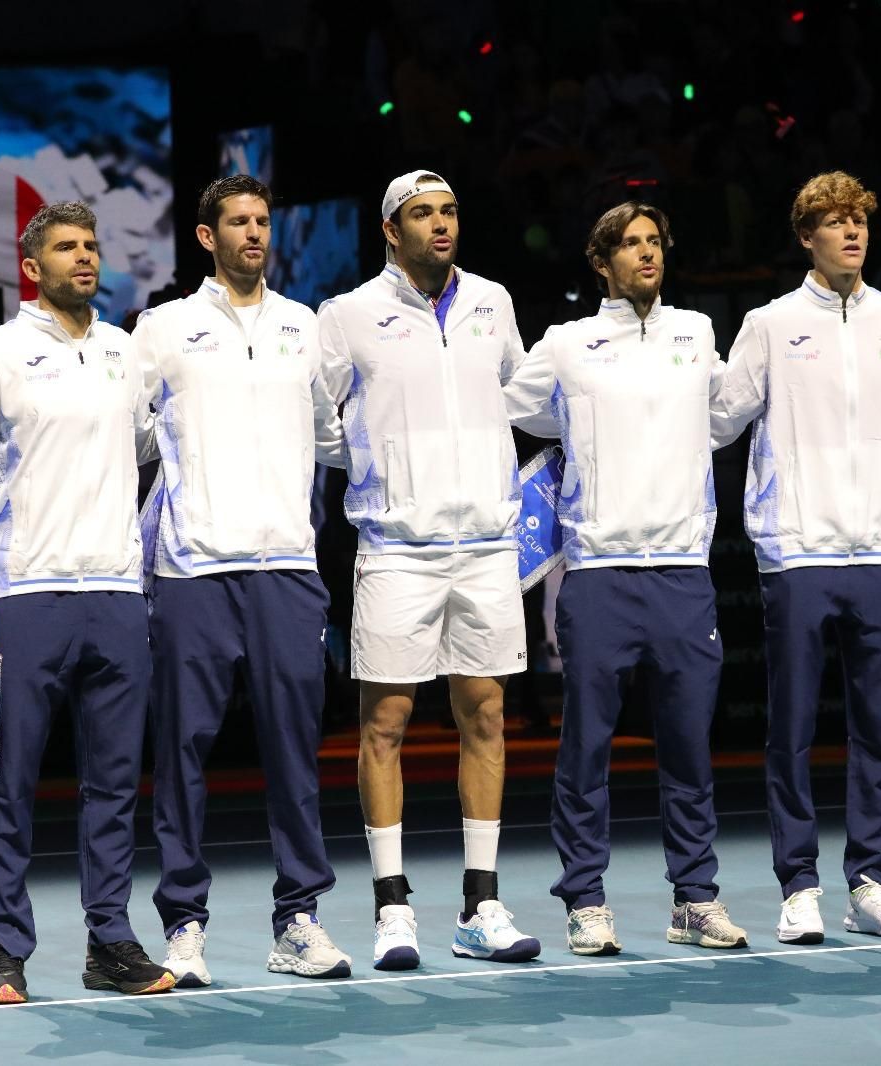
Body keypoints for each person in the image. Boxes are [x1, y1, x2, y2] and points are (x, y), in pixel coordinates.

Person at [0, 201, 173, 1005]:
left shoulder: (122, 353)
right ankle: (5, 947)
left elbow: (149, 447)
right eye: (66, 247)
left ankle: (110, 940)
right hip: (22, 597)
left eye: (92, 246)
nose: (84, 258)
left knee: (113, 784)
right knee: (10, 782)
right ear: (31, 266)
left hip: (114, 594)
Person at [503, 201, 750, 956]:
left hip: (682, 573)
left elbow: (726, 416)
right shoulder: (567, 344)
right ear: (601, 261)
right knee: (587, 749)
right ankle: (585, 898)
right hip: (600, 575)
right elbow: (514, 408)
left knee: (688, 749)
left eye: (654, 242)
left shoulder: (696, 333)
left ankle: (695, 897)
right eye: (630, 244)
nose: (647, 254)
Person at [318, 170, 540, 969]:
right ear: (390, 229)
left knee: (484, 714)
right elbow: (318, 415)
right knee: (386, 724)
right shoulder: (348, 315)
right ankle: (391, 909)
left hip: (484, 546)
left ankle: (480, 905)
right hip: (397, 549)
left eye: (449, 210)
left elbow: (519, 397)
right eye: (422, 214)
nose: (440, 224)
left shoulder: (494, 302)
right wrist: (377, 468)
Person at [134, 174, 353, 984]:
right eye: (238, 222)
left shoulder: (304, 327)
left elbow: (334, 435)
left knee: (295, 751)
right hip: (193, 569)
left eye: (262, 221)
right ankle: (184, 924)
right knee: (183, 751)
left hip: (289, 570)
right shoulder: (162, 329)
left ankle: (298, 919)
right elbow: (125, 435)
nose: (254, 234)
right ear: (206, 237)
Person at [718, 171, 881, 945]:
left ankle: (868, 883)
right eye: (835, 223)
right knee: (794, 728)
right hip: (796, 551)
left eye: (860, 222)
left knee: (878, 729)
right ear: (806, 236)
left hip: (880, 551)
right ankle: (798, 886)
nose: (853, 233)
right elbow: (719, 416)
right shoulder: (769, 324)